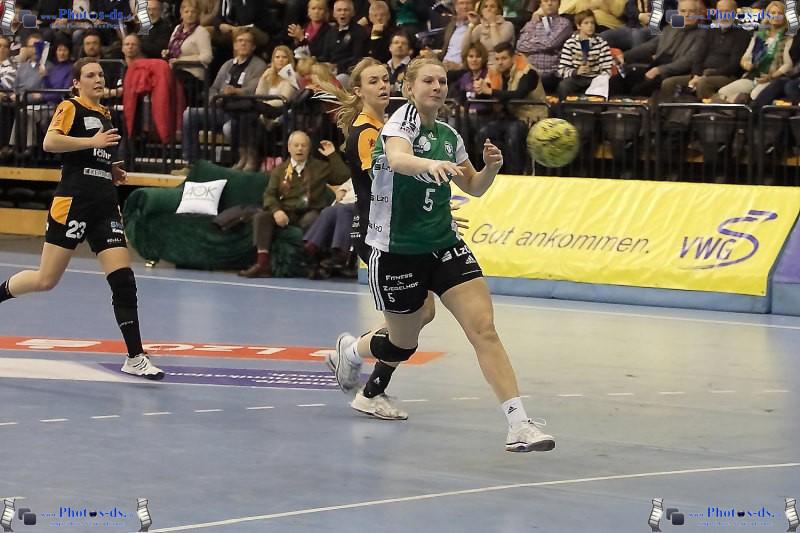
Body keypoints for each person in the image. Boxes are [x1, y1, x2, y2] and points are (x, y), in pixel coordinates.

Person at [326, 57, 555, 453]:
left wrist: (490, 168)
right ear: (409, 88)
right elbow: (397, 159)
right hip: (396, 252)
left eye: (442, 81)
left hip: (444, 245)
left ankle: (519, 424)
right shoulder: (398, 124)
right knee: (402, 344)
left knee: (483, 329)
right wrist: (430, 164)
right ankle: (351, 349)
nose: (436, 87)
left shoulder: (449, 134)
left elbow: (474, 187)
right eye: (428, 81)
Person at [0, 57, 164, 380]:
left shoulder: (106, 114)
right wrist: (92, 142)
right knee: (46, 280)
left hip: (104, 204)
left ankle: (135, 356)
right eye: (90, 75)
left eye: (101, 74)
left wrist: (110, 168)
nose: (98, 79)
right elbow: (50, 142)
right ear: (77, 82)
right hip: (73, 202)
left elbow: (93, 155)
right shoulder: (70, 106)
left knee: (123, 280)